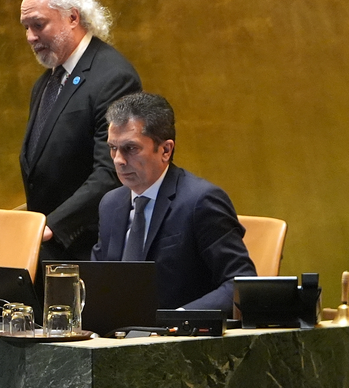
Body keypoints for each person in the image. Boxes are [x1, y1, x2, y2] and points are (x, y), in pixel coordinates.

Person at [92, 92, 257, 314]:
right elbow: (98, 282)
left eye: (130, 148)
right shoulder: (111, 204)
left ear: (166, 150)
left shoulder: (201, 201)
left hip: (178, 340)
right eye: (113, 148)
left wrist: (177, 320)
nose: (119, 160)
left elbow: (240, 284)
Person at [19, 0, 142, 261]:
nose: (30, 37)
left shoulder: (113, 77)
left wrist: (50, 225)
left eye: (38, 25)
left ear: (72, 17)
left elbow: (111, 173)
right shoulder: (47, 82)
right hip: (48, 249)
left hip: (88, 249)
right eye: (26, 27)